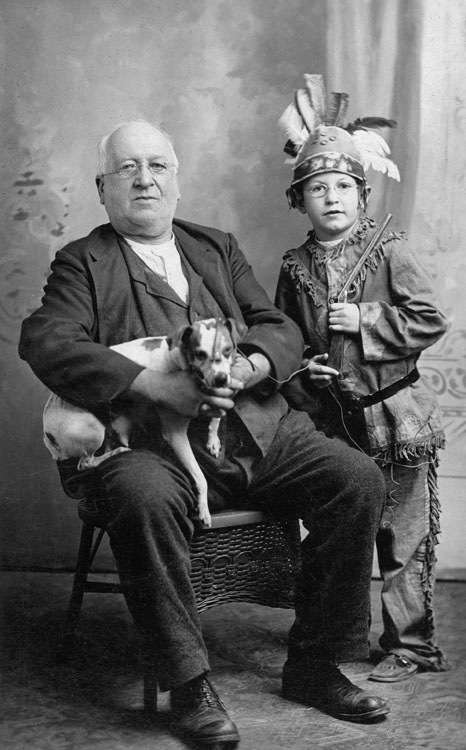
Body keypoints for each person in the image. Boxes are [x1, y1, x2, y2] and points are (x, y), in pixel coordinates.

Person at [19, 119, 390, 747]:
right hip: (149, 447)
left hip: (253, 430)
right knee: (141, 495)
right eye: (127, 168)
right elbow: (46, 341)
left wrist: (252, 365)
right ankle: (188, 684)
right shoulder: (83, 261)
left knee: (355, 479)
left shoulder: (214, 246)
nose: (145, 179)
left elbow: (276, 323)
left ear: (177, 181)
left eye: (158, 166)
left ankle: (315, 663)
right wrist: (152, 385)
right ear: (102, 188)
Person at [274, 75, 449, 685]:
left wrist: (367, 319)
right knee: (341, 533)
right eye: (318, 188)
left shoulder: (389, 247)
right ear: (299, 200)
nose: (332, 198)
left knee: (403, 538)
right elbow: (282, 339)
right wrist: (306, 367)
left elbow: (430, 319)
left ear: (363, 193)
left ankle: (411, 646)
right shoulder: (293, 266)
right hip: (332, 421)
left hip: (395, 416)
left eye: (344, 186)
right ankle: (337, 636)